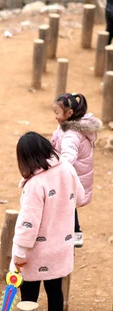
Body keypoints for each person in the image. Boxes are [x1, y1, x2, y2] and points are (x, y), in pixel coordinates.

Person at [0, 132, 84, 311]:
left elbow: (28, 224)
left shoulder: (35, 184)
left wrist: (19, 253)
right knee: (55, 292)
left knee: (28, 297)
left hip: (37, 251)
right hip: (61, 247)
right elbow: (81, 197)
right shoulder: (66, 168)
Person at [51, 93, 101, 248]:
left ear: (69, 113)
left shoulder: (71, 134)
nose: (55, 116)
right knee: (67, 204)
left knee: (65, 205)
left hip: (72, 177)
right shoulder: (69, 125)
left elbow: (68, 157)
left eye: (57, 113)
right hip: (75, 175)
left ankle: (73, 234)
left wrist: (56, 168)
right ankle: (74, 233)